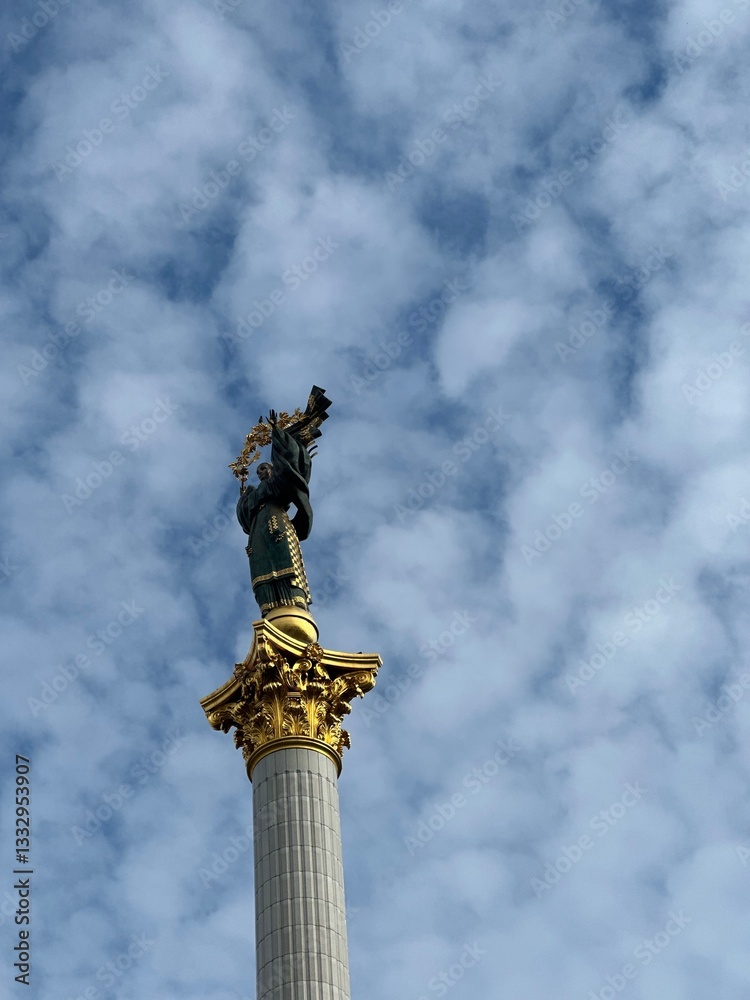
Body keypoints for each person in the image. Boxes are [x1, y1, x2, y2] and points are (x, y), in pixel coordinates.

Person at [236, 412, 315, 615]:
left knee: (284, 559)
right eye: (259, 470)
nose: (262, 472)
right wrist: (243, 498)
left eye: (265, 468)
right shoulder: (253, 494)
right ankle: (268, 606)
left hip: (277, 521)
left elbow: (285, 464)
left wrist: (277, 432)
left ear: (272, 469)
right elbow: (244, 516)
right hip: (258, 531)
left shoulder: (277, 483)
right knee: (261, 565)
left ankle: (294, 601)